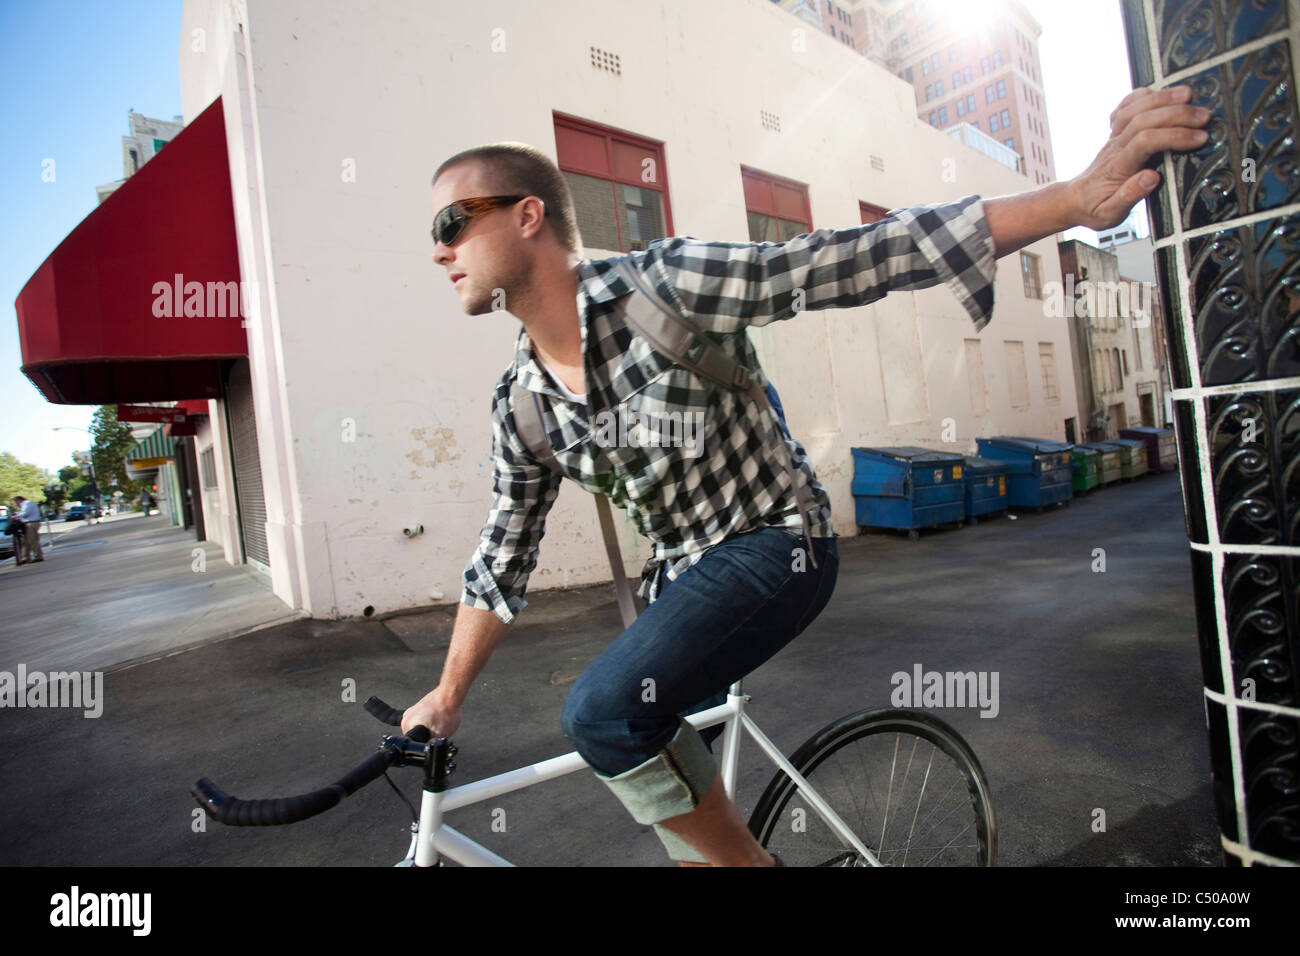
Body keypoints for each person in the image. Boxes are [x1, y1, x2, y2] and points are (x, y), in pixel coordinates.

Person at [401, 85, 1212, 865]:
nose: (438, 248)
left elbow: (845, 260)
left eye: (452, 221)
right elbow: (502, 552)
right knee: (659, 774)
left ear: (527, 214)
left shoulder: (663, 286)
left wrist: (1073, 201)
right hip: (680, 583)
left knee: (603, 714)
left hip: (778, 543)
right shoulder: (522, 405)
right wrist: (447, 696)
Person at [12, 496, 44, 563]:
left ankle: (38, 556)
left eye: (15, 502)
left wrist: (17, 516)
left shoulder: (27, 503)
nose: (16, 504)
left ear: (18, 500)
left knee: (32, 540)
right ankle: (26, 557)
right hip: (29, 523)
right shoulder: (27, 504)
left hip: (31, 523)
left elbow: (25, 513)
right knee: (25, 541)